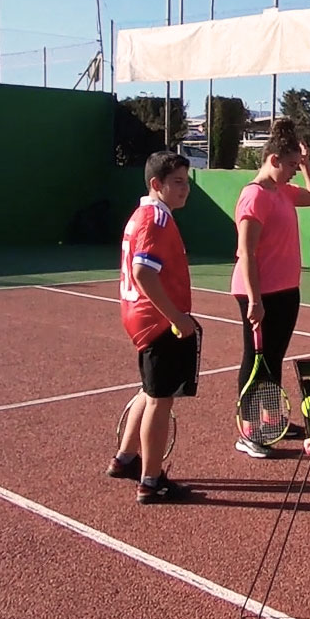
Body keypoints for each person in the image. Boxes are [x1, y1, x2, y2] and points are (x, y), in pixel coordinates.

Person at [231, 117, 310, 458]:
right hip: (259, 293)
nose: (292, 172)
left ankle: (272, 422)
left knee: (273, 359)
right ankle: (248, 431)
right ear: (272, 160)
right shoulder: (254, 197)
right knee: (255, 360)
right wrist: (255, 300)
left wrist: (307, 165)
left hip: (287, 290)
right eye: (289, 166)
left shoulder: (282, 191)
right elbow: (247, 252)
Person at [110, 150, 198, 504]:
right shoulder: (156, 220)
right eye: (177, 182)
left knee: (149, 391)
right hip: (157, 321)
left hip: (142, 317)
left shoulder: (142, 215)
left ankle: (125, 459)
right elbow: (144, 272)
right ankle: (151, 481)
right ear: (155, 184)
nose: (184, 189)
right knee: (161, 401)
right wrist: (177, 318)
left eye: (187, 182)